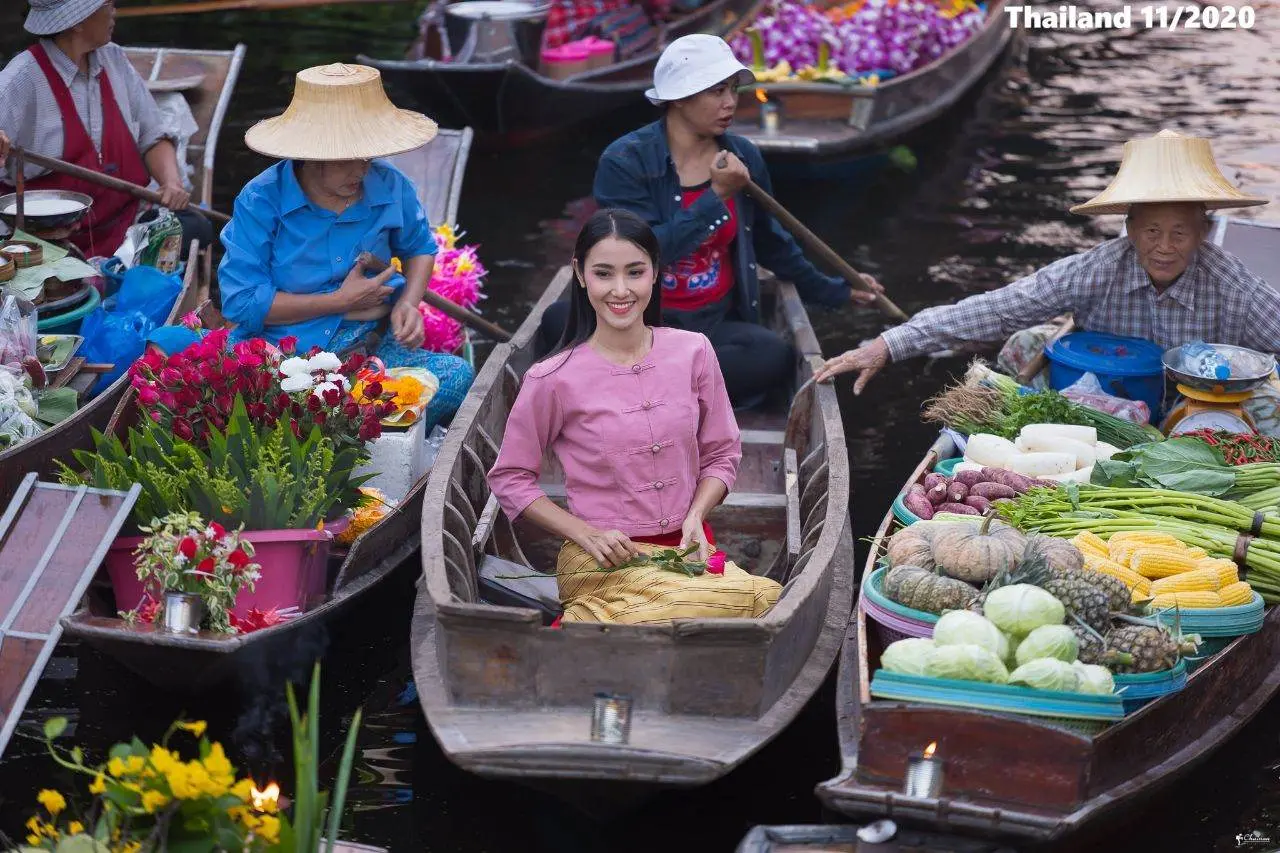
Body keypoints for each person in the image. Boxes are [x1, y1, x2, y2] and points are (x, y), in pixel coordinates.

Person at [535, 34, 885, 411]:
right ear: (680, 97)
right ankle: (671, 390)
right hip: (633, 321)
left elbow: (773, 243)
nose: (730, 102)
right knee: (558, 321)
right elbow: (638, 254)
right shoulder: (625, 160)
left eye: (733, 89)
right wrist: (716, 196)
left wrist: (837, 289)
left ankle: (633, 386)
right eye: (717, 91)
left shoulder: (742, 156)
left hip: (707, 329)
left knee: (772, 355)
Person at [815, 129, 1280, 393]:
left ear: (1204, 232)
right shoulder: (1098, 269)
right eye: (1151, 231)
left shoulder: (1231, 284)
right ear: (1129, 227)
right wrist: (887, 346)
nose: (1164, 246)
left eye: (1180, 233)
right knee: (1025, 339)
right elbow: (998, 307)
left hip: (1194, 407)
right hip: (1099, 396)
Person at [488, 208, 781, 624]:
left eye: (635, 272)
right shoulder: (551, 378)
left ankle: (584, 628)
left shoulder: (694, 351)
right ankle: (593, 619)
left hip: (689, 549)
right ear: (579, 274)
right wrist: (584, 532)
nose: (620, 290)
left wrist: (696, 515)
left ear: (656, 273)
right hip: (601, 556)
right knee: (722, 614)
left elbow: (722, 454)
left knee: (769, 599)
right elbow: (510, 478)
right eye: (604, 273)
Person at [217, 63, 474, 431]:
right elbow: (242, 303)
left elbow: (420, 249)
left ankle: (356, 412)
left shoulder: (390, 185)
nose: (362, 171)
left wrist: (408, 305)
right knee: (266, 395)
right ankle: (351, 415)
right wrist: (340, 302)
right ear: (312, 157)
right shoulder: (261, 200)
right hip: (288, 353)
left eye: (366, 157)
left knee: (457, 376)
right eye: (347, 160)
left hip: (372, 346)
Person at [0, 0, 201, 259]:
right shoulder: (21, 78)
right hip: (48, 242)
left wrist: (171, 183)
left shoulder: (113, 58)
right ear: (78, 23)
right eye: (107, 4)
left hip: (124, 225)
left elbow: (153, 136)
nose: (114, 10)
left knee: (196, 227)